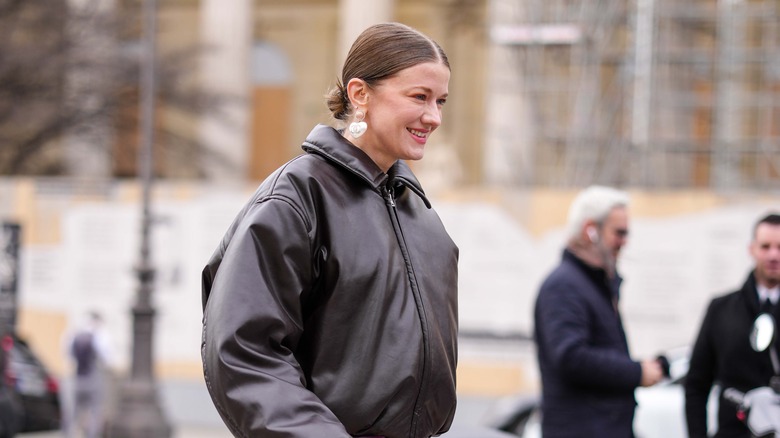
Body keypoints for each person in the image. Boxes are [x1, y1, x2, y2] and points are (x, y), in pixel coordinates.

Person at [201, 22, 458, 438]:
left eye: (441, 100)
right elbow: (244, 351)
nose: (434, 117)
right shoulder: (296, 198)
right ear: (360, 94)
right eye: (419, 97)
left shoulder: (421, 215)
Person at [533, 185, 664, 438]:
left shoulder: (592, 284)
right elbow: (571, 357)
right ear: (589, 230)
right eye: (619, 233)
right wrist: (635, 372)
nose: (625, 242)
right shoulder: (563, 286)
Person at [684, 212, 780, 438]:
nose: (773, 255)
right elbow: (697, 384)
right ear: (752, 249)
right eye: (765, 246)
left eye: (779, 246)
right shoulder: (721, 309)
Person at [63, 311, 113, 438]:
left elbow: (68, 355)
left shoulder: (75, 334)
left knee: (73, 413)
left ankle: (68, 434)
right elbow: (107, 359)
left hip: (77, 378)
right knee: (95, 412)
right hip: (93, 378)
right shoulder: (100, 335)